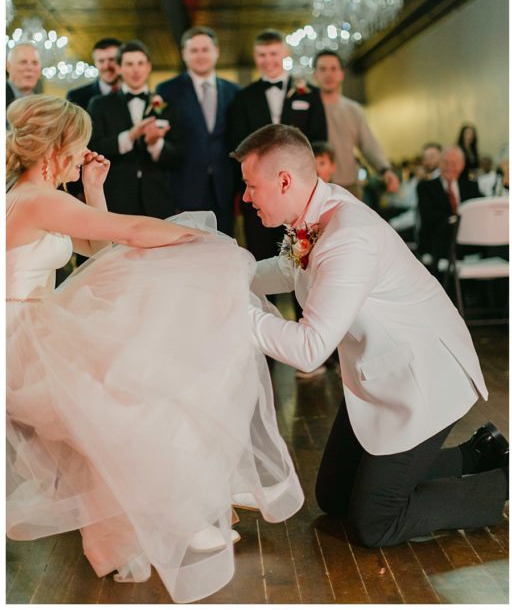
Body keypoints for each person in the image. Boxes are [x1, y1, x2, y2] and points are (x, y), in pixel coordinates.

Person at [6, 95, 302, 603]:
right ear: (54, 148)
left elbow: (97, 246)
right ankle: (178, 514)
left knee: (127, 384)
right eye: (78, 147)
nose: (83, 156)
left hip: (35, 320)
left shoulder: (37, 197)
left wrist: (94, 190)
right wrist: (203, 242)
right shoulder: (36, 200)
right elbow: (130, 231)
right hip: (17, 334)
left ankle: (173, 512)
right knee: (122, 400)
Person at [234, 124, 508, 548]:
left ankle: (504, 487)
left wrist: (237, 313)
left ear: (284, 180)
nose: (246, 197)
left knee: (375, 522)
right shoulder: (314, 214)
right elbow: (288, 270)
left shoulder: (348, 237)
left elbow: (309, 350)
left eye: (251, 186)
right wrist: (229, 279)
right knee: (334, 496)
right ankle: (478, 452)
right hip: (382, 369)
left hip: (425, 376)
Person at [227, 29, 328, 259]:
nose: (268, 60)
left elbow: (320, 140)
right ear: (255, 57)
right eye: (262, 55)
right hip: (260, 193)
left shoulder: (309, 94)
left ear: (285, 52)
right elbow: (237, 143)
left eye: (273, 53)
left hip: (300, 192)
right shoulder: (244, 98)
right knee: (261, 255)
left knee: (304, 259)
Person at [155, 26, 239, 234]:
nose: (200, 55)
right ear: (184, 54)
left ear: (216, 51)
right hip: (184, 185)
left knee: (225, 249)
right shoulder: (167, 91)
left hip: (224, 186)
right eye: (194, 50)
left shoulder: (234, 92)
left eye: (205, 49)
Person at [87, 40, 181, 218]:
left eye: (140, 63)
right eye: (129, 64)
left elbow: (179, 156)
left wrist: (156, 144)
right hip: (116, 199)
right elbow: (94, 147)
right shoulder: (100, 104)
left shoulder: (167, 104)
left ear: (148, 67)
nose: (136, 70)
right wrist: (130, 136)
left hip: (158, 200)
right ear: (119, 68)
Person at [311, 50, 398, 199]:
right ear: (315, 75)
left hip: (349, 185)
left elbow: (368, 143)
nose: (328, 74)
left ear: (341, 74)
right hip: (313, 187)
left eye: (333, 69)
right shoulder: (306, 107)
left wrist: (385, 170)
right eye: (323, 69)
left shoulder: (353, 109)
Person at [67, 37, 122, 110]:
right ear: (95, 63)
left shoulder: (136, 93)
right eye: (101, 61)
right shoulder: (76, 97)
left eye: (112, 59)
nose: (106, 66)